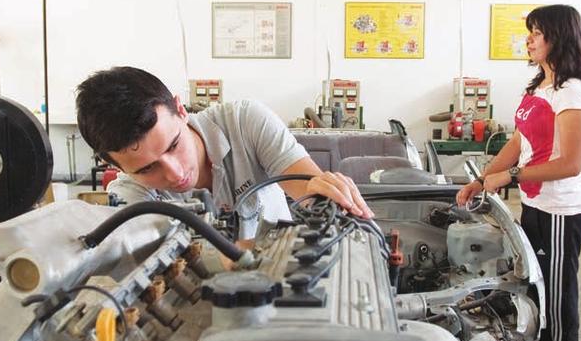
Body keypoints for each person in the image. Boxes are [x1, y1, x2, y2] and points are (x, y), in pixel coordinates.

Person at [457, 4, 581, 341]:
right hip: (537, 206)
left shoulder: (574, 91)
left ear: (560, 36)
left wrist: (513, 178)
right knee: (535, 292)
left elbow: (570, 163)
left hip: (562, 211)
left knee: (557, 299)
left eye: (537, 32)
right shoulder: (541, 88)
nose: (529, 39)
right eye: (529, 32)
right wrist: (482, 179)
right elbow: (518, 143)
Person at [75, 67, 374, 241]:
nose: (176, 174)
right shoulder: (128, 200)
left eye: (173, 145)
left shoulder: (246, 122)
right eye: (146, 170)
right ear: (113, 165)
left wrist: (325, 192)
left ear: (181, 110)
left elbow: (309, 189)